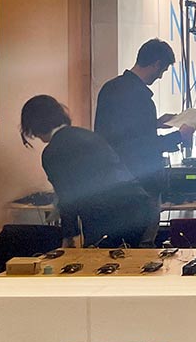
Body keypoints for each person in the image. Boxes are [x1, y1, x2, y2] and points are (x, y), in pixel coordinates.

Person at [94, 39, 195, 244]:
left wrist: (155, 123)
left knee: (120, 244)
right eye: (163, 70)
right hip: (142, 183)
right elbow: (144, 147)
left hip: (113, 182)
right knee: (143, 242)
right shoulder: (141, 98)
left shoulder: (110, 88)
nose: (160, 76)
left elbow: (120, 133)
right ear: (156, 64)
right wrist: (179, 136)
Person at [20, 95, 151, 248]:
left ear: (35, 126)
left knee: (98, 259)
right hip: (138, 205)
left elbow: (67, 196)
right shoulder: (89, 135)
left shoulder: (52, 152)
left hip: (106, 215)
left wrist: (69, 236)